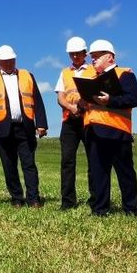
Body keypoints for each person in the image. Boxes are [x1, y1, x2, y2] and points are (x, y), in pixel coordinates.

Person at [77, 40, 137, 217]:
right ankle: (100, 210)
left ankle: (130, 209)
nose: (93, 60)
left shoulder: (124, 74)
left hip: (117, 131)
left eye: (97, 56)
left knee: (125, 172)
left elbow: (133, 99)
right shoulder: (90, 79)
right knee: (98, 173)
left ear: (110, 57)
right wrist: (81, 103)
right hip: (94, 132)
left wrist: (110, 100)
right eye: (92, 57)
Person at [0, 45, 48, 208]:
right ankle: (16, 198)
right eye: (5, 61)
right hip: (2, 128)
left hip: (25, 127)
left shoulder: (27, 75)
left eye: (11, 60)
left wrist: (41, 124)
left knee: (29, 164)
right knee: (9, 165)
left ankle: (33, 198)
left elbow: (37, 101)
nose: (9, 63)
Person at [54, 37, 90, 210]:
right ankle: (68, 201)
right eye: (72, 54)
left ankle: (96, 198)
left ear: (85, 53)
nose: (75, 56)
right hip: (69, 121)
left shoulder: (93, 70)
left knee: (94, 161)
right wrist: (71, 107)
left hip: (89, 120)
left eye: (78, 53)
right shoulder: (64, 72)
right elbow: (60, 97)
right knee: (67, 161)